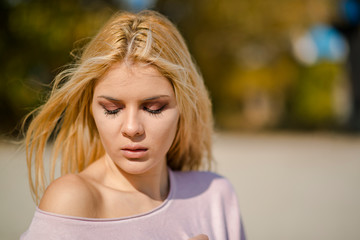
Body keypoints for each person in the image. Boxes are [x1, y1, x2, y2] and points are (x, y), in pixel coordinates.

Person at [21, 10, 246, 240]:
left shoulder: (215, 194)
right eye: (112, 109)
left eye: (153, 108)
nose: (131, 128)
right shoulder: (73, 201)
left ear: (183, 108)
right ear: (90, 108)